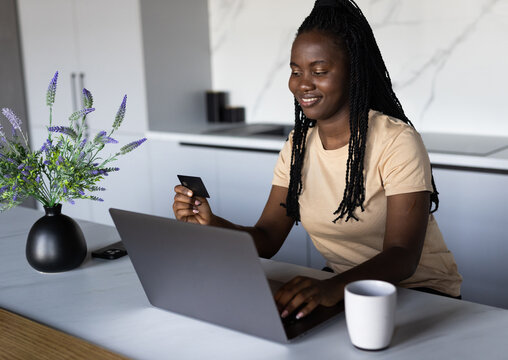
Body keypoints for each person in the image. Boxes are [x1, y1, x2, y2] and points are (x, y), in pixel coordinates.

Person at [173, 0, 462, 321]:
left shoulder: (396, 140)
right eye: (296, 71)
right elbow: (267, 237)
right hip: (344, 288)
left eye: (319, 71)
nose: (302, 83)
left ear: (354, 71)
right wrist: (212, 224)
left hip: (419, 292)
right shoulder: (297, 146)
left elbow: (403, 256)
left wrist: (331, 288)